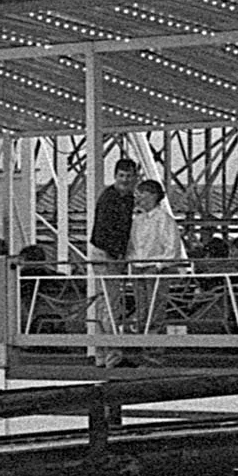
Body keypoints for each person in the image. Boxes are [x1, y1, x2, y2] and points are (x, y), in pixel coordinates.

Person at [87, 155, 142, 365]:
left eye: (129, 176)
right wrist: (119, 254)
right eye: (122, 175)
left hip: (108, 253)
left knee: (105, 304)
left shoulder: (124, 198)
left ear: (135, 177)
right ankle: (112, 354)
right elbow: (105, 232)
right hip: (107, 254)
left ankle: (102, 353)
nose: (125, 180)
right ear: (116, 176)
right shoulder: (111, 199)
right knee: (110, 304)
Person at [129, 177, 187, 335]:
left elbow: (172, 247)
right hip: (139, 267)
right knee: (141, 307)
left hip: (155, 268)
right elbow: (133, 245)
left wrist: (159, 265)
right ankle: (142, 337)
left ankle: (153, 340)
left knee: (155, 307)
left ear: (153, 195)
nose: (139, 198)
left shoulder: (164, 219)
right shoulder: (138, 220)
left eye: (142, 194)